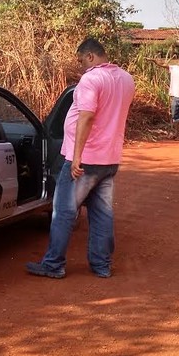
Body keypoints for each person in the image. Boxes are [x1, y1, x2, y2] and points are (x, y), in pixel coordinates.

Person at [26, 37, 135, 279]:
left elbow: (87, 117)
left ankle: (53, 264)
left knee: (64, 210)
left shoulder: (91, 79)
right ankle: (101, 265)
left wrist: (76, 157)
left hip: (86, 158)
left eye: (80, 61)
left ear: (90, 56)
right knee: (102, 214)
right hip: (110, 158)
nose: (80, 67)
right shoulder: (127, 79)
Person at [153, 54, 179, 140]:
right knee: (175, 116)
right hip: (174, 97)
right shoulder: (174, 68)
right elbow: (163, 65)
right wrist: (155, 61)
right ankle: (176, 133)